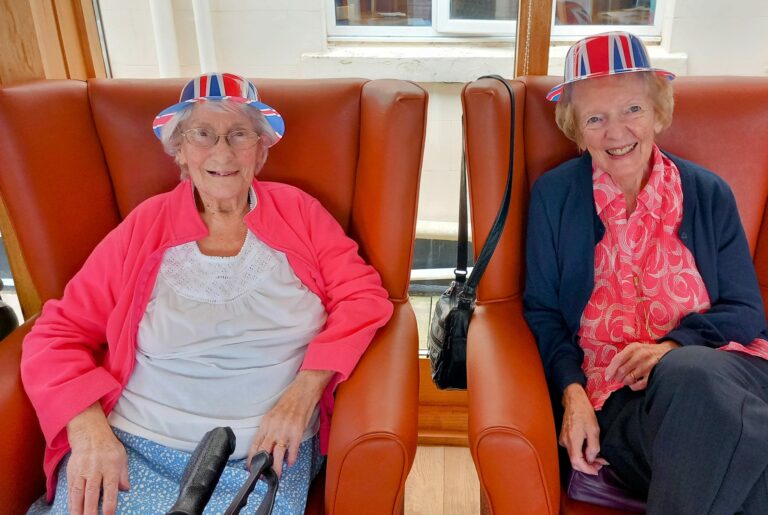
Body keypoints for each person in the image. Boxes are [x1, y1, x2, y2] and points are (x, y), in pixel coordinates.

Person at [22, 72, 393, 514]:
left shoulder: (300, 213)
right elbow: (57, 334)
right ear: (179, 149)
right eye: (202, 134)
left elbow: (363, 297)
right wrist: (88, 429)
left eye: (239, 134)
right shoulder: (147, 224)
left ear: (261, 148)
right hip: (130, 446)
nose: (222, 151)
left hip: (262, 449)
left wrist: (305, 391)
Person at [524, 32, 768, 514]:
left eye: (632, 109)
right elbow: (543, 312)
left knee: (690, 373)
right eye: (595, 118)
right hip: (623, 406)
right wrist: (573, 395)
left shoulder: (708, 193)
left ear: (658, 111)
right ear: (576, 129)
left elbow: (746, 311)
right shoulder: (556, 198)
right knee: (741, 448)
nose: (616, 132)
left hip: (726, 375)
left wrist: (672, 349)